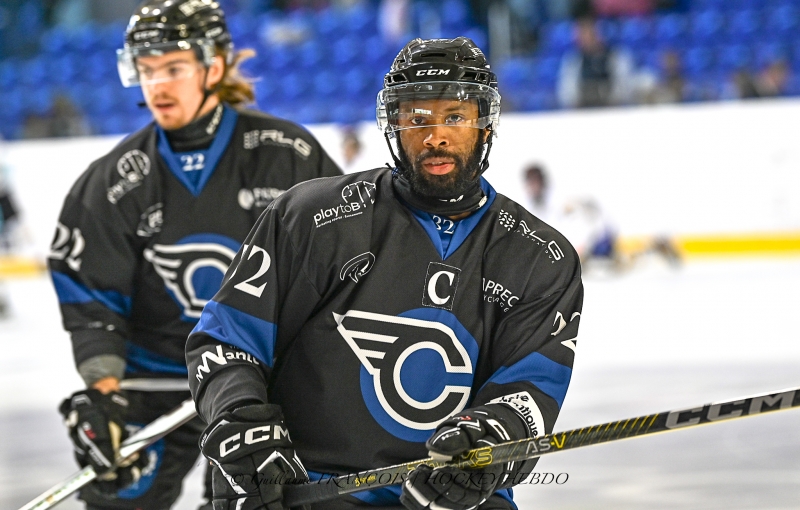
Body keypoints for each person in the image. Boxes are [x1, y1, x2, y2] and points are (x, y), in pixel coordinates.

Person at [186, 36, 584, 510]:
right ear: (394, 126)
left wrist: (487, 447)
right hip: (304, 488)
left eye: (454, 117)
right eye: (417, 119)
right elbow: (228, 340)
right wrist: (240, 419)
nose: (435, 136)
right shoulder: (312, 217)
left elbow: (529, 392)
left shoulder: (541, 256)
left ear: (485, 125)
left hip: (447, 497)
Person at [47, 1, 342, 508]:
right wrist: (103, 396)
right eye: (146, 70)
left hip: (258, 382)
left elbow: (344, 267)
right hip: (153, 382)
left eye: (173, 68)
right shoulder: (115, 180)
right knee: (120, 494)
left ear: (215, 66)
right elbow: (93, 298)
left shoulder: (288, 154)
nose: (157, 85)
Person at [557, 17, 636, 108]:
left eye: (590, 34)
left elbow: (626, 88)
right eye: (582, 34)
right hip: (583, 111)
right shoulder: (573, 61)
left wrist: (609, 97)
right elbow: (567, 93)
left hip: (613, 109)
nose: (586, 38)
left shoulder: (617, 56)